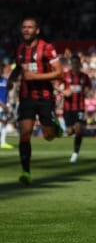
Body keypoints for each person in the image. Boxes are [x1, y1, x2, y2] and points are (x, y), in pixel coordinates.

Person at [8, 17, 63, 185]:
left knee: (49, 136)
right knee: (25, 133)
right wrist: (11, 79)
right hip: (26, 98)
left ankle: (55, 126)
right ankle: (26, 172)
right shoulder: (19, 49)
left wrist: (36, 76)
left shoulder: (47, 48)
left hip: (45, 97)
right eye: (24, 27)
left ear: (37, 30)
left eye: (30, 27)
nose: (26, 30)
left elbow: (59, 73)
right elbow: (18, 67)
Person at [59, 55, 93, 163]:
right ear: (71, 64)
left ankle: (75, 153)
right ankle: (71, 130)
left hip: (79, 107)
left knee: (79, 128)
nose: (75, 66)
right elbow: (57, 85)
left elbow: (89, 88)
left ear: (79, 64)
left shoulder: (84, 77)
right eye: (73, 64)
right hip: (67, 108)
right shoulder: (65, 76)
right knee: (69, 132)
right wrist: (64, 91)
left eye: (77, 64)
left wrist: (87, 92)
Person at [0, 64, 14, 149]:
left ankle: (3, 142)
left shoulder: (5, 81)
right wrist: (2, 104)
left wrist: (7, 104)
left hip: (4, 105)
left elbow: (7, 93)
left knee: (4, 123)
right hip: (1, 105)